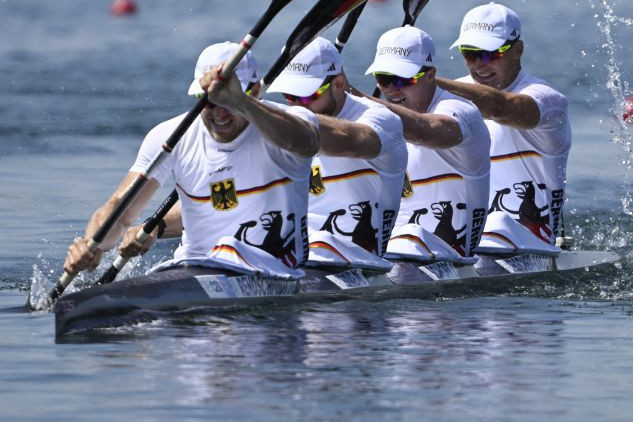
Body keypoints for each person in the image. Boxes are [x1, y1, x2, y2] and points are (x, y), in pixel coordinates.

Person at [63, 42, 321, 279]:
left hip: (274, 268)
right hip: (193, 266)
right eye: (207, 100)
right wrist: (91, 244)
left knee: (229, 250)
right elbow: (122, 207)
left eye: (227, 101)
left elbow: (305, 143)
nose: (218, 113)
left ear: (254, 92)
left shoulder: (289, 123)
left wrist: (242, 103)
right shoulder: (170, 135)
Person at [435, 3, 571, 246]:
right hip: (467, 236)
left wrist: (423, 81)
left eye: (490, 54)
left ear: (518, 49)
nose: (479, 64)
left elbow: (498, 107)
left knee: (497, 225)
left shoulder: (547, 100)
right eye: (470, 53)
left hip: (533, 239)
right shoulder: (445, 97)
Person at [266, 37, 407, 264]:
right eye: (290, 97)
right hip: (298, 249)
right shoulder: (283, 123)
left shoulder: (379, 119)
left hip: (360, 258)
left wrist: (256, 109)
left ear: (339, 84)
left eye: (307, 96)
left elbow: (350, 141)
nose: (297, 106)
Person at [362, 26, 490, 257]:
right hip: (395, 249)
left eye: (401, 80)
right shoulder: (374, 118)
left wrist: (354, 100)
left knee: (409, 240)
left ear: (431, 75)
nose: (390, 90)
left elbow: (429, 130)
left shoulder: (459, 110)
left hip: (453, 256)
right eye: (383, 79)